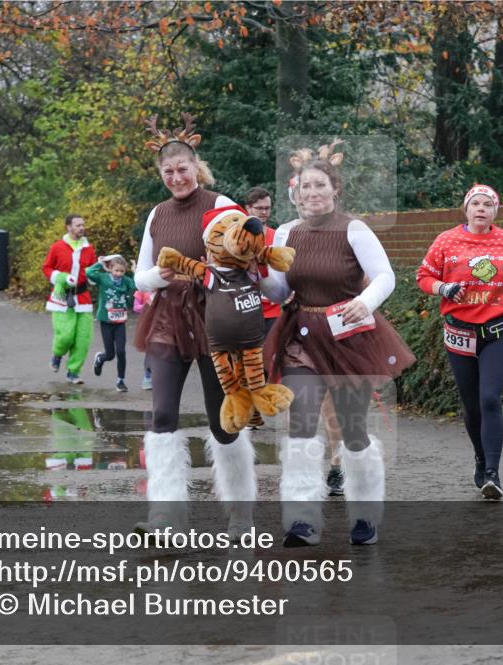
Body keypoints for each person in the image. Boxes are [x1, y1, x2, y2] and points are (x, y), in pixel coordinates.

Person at [261, 148, 414, 547]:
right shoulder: (284, 233)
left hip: (347, 336)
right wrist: (256, 277)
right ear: (295, 193)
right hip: (300, 336)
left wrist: (366, 301)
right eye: (304, 186)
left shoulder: (354, 229)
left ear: (335, 189)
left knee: (352, 430)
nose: (311, 192)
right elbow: (279, 289)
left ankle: (365, 514)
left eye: (319, 185)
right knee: (301, 423)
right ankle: (301, 519)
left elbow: (385, 276)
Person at [133, 113, 252, 536]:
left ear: (195, 167)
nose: (176, 177)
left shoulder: (220, 205)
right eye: (168, 172)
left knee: (222, 419)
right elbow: (139, 274)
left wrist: (213, 273)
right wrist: (156, 278)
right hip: (167, 317)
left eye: (182, 169)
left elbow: (247, 257)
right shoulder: (157, 214)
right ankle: (166, 516)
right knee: (161, 415)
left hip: (214, 316)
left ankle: (240, 513)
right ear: (160, 174)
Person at [416, 184, 503, 500]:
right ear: (466, 209)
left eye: (488, 204)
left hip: (498, 331)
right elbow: (423, 277)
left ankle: (493, 474)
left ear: (495, 211)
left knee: (489, 399)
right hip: (460, 333)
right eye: (476, 204)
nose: (481, 209)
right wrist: (443, 288)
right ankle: (481, 458)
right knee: (471, 406)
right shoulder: (446, 241)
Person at [42, 214, 97, 384]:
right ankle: (57, 354)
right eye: (78, 225)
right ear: (68, 227)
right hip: (62, 297)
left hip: (83, 298)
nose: (82, 228)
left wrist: (100, 270)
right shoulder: (57, 247)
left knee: (82, 339)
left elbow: (92, 273)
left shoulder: (89, 249)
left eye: (83, 225)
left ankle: (73, 372)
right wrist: (60, 277)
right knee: (65, 336)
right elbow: (46, 268)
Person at [244, 186, 280, 429]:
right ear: (248, 209)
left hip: (274, 308)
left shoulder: (277, 236)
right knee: (249, 360)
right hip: (247, 307)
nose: (264, 212)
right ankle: (250, 411)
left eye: (267, 208)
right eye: (259, 208)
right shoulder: (238, 235)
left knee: (268, 360)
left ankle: (258, 405)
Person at [87, 254, 137, 392]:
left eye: (122, 271)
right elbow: (89, 273)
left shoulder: (126, 281)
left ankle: (120, 381)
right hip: (106, 321)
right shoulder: (103, 278)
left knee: (121, 352)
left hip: (120, 322)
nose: (119, 274)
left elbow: (135, 287)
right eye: (116, 271)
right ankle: (100, 359)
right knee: (110, 355)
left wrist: (134, 272)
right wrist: (100, 263)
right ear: (110, 269)